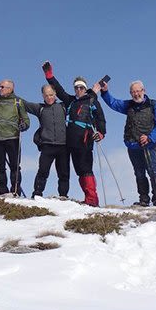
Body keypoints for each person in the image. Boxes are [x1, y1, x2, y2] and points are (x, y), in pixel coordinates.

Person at [94, 78, 156, 207]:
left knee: (152, 171)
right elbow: (114, 103)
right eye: (133, 92)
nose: (136, 94)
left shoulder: (153, 105)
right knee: (139, 173)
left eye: (138, 91)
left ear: (143, 91)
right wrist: (105, 92)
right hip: (133, 145)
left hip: (148, 145)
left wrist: (150, 137)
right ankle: (144, 199)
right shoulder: (129, 105)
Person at [42, 61, 106, 206]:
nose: (78, 89)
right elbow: (59, 90)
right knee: (78, 170)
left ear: (85, 88)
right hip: (70, 141)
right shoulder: (70, 101)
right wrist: (49, 75)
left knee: (86, 169)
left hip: (85, 140)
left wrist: (101, 133)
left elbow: (101, 119)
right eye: (76, 87)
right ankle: (87, 199)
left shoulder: (92, 101)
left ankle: (92, 199)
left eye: (81, 87)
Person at [22, 85, 70, 199]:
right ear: (43, 96)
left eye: (51, 95)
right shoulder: (40, 108)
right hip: (47, 146)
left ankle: (63, 195)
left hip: (63, 146)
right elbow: (24, 104)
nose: (49, 98)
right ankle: (37, 193)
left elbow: (78, 102)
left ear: (55, 94)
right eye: (46, 95)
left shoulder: (63, 106)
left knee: (64, 173)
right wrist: (11, 94)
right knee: (43, 171)